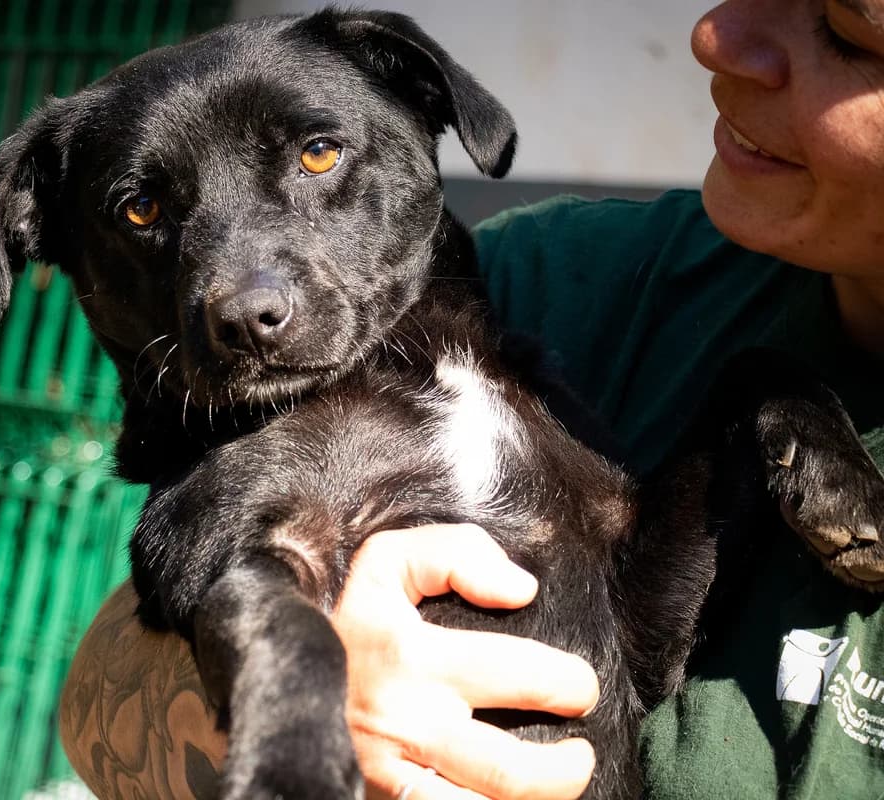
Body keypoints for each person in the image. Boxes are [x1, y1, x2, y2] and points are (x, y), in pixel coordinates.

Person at [58, 0, 884, 797]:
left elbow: (639, 640)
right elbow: (179, 604)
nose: (713, 35)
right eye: (143, 207)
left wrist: (770, 410)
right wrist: (298, 720)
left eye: (848, 31)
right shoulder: (551, 280)